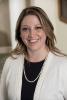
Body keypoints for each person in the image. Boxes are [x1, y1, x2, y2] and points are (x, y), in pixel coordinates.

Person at [0, 6, 67, 100]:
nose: (32, 34)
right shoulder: (11, 62)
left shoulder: (63, 65)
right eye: (25, 29)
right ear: (19, 33)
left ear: (47, 31)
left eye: (38, 27)